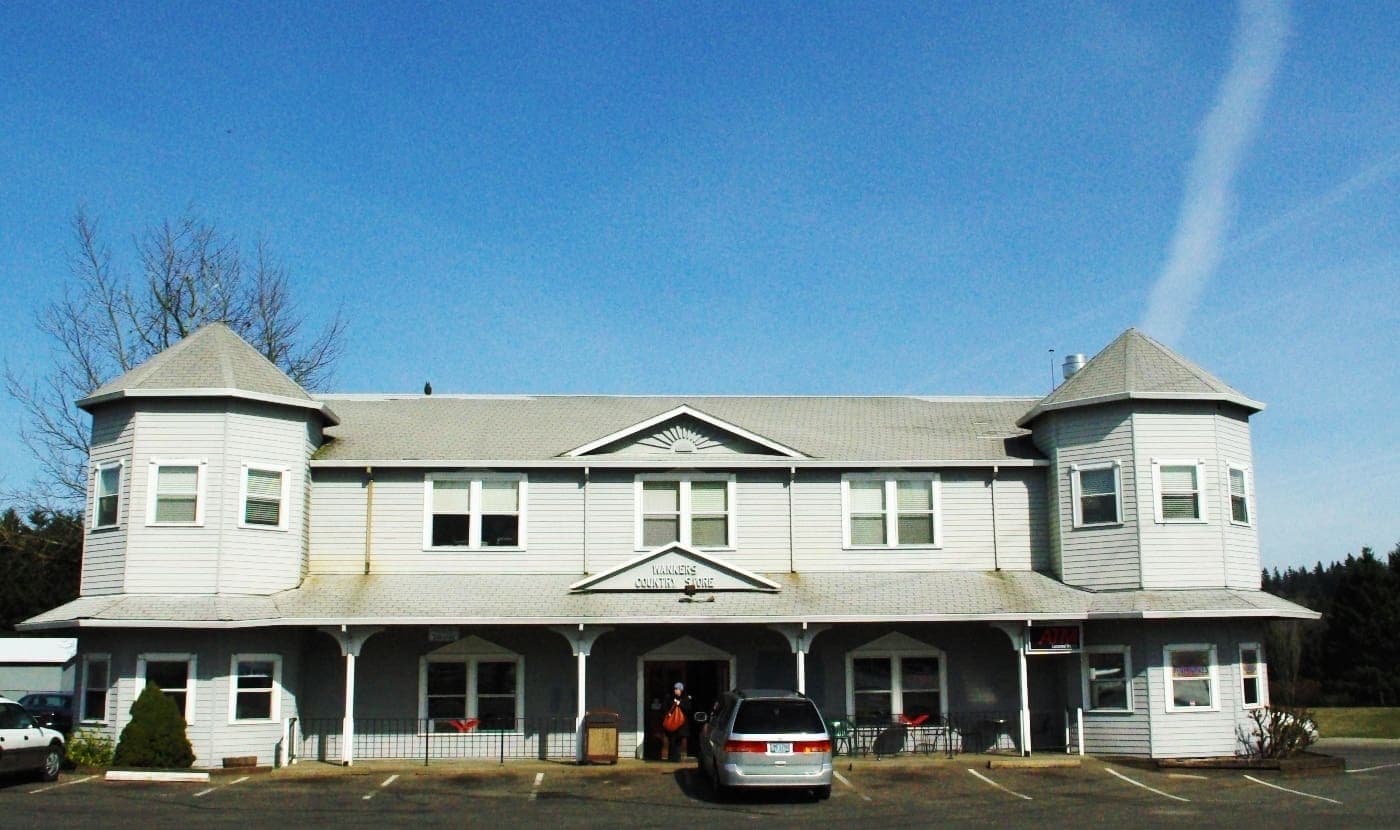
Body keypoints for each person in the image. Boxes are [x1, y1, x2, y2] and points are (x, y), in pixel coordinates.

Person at [659, 681, 694, 762]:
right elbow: (664, 708)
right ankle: (671, 757)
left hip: (681, 724)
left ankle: (677, 757)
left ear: (681, 690)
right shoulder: (669, 698)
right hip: (672, 723)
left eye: (677, 689)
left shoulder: (685, 698)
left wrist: (680, 704)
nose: (675, 690)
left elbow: (688, 709)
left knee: (679, 741)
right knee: (671, 740)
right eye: (674, 689)